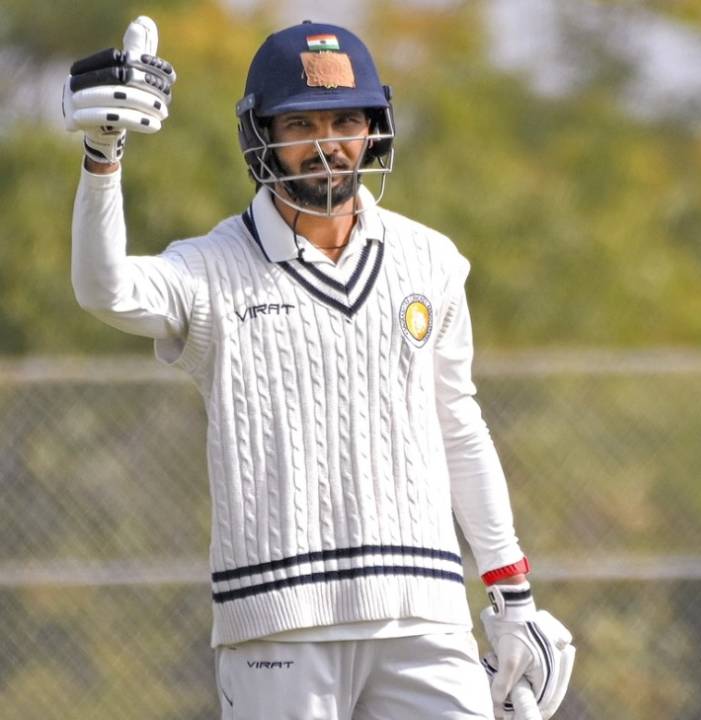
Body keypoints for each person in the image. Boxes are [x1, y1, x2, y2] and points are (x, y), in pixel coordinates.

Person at [64, 16, 574, 720]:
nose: (327, 146)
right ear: (262, 135)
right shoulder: (210, 268)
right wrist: (103, 157)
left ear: (374, 129)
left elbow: (459, 426)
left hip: (424, 615)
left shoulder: (430, 261)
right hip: (278, 623)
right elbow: (105, 288)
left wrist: (511, 592)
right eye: (300, 124)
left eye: (344, 120)